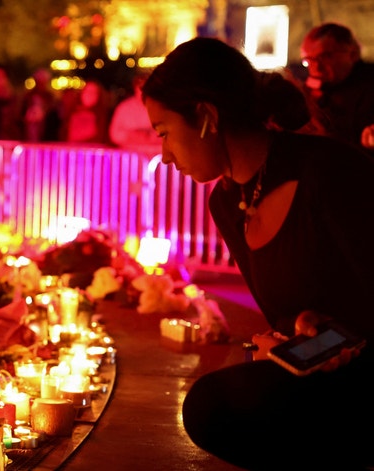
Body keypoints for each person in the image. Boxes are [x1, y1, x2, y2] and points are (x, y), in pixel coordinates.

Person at [142, 36, 374, 470]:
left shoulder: (329, 172)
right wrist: (302, 325)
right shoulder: (227, 203)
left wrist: (344, 335)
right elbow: (288, 314)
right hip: (322, 373)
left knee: (216, 405)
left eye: (165, 134)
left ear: (207, 117)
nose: (165, 155)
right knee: (211, 406)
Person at [300, 22, 374, 155]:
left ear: (352, 54)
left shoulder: (369, 85)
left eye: (325, 57)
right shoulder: (313, 90)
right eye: (309, 60)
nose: (316, 68)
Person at [108, 72, 162, 156]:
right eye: (141, 88)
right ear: (135, 88)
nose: (143, 91)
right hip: (130, 158)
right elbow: (114, 133)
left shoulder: (161, 108)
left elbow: (169, 133)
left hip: (155, 157)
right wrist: (130, 135)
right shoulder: (124, 108)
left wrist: (149, 136)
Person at [61, 78, 111, 144]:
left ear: (99, 96)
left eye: (93, 92)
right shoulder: (72, 111)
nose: (89, 95)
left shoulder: (102, 116)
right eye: (87, 91)